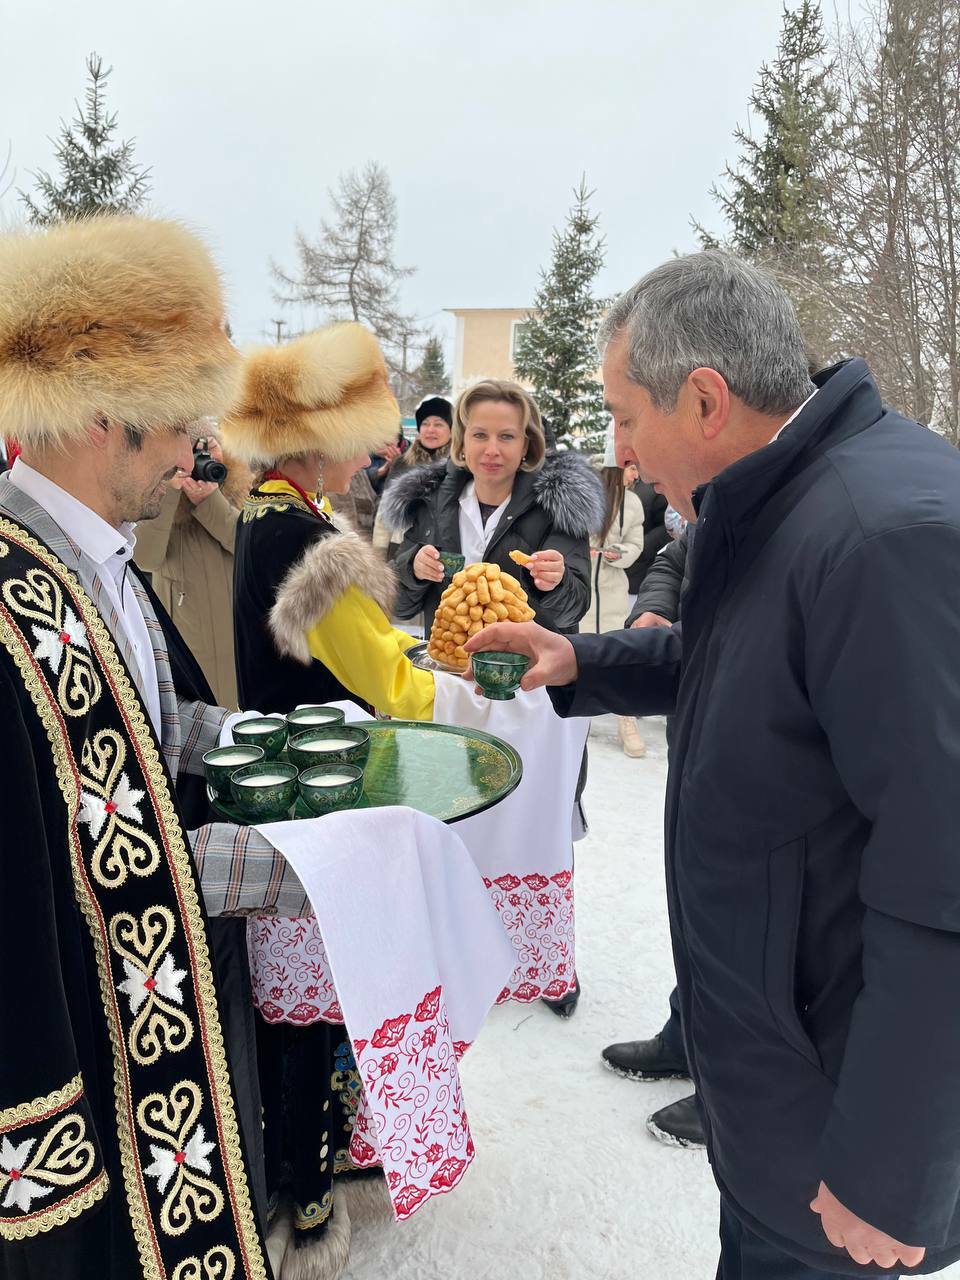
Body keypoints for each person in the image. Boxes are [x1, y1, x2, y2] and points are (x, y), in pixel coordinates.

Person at [465, 250, 960, 1278]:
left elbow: (941, 876)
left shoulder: (879, 537)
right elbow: (760, 663)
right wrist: (584, 659)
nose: (622, 453)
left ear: (703, 399)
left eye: (623, 415)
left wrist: (892, 1166)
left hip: (838, 1134)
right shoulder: (786, 497)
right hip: (779, 1090)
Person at [0, 214, 310, 1280]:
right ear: (101, 412)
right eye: (179, 421)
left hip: (162, 1032)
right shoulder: (14, 599)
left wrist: (287, 739)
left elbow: (155, 726)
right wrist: (315, 867)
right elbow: (101, 871)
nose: (195, 451)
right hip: (95, 1063)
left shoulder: (100, 557)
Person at [383, 379, 603, 636]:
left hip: (528, 671)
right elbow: (399, 605)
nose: (491, 450)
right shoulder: (430, 502)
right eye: (480, 435)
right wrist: (413, 569)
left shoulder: (558, 508)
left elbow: (573, 609)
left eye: (506, 436)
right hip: (449, 668)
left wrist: (556, 583)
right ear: (462, 441)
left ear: (526, 445)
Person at [133, 426, 250, 707]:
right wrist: (171, 488)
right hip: (190, 640)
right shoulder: (155, 497)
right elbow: (145, 558)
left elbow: (250, 544)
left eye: (209, 446)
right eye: (190, 448)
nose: (200, 457)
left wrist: (211, 502)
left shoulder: (242, 488)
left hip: (240, 635)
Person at [580, 434, 645, 758]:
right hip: (581, 595)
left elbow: (636, 543)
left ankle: (625, 719)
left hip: (613, 593)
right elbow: (568, 535)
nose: (636, 474)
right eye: (631, 467)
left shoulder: (633, 503)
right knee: (579, 656)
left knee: (617, 658)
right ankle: (576, 721)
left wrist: (620, 554)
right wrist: (581, 553)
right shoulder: (586, 496)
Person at [371, 395, 454, 563]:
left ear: (452, 430)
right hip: (400, 547)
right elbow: (384, 515)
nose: (430, 430)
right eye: (425, 424)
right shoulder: (402, 463)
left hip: (443, 551)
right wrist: (378, 556)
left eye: (438, 424)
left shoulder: (458, 467)